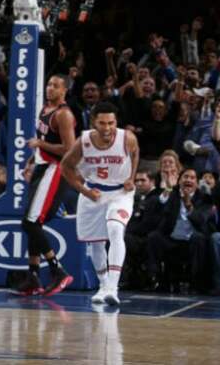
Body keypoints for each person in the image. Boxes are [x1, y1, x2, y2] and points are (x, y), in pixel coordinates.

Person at [60, 101, 140, 306]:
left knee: (115, 229)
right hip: (93, 193)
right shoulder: (83, 142)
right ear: (93, 122)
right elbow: (66, 167)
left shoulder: (127, 138)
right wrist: (85, 190)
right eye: (102, 123)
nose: (107, 128)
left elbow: (135, 153)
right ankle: (103, 285)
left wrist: (131, 176)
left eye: (111, 123)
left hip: (120, 193)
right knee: (96, 242)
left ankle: (113, 287)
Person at [15, 75, 77, 297]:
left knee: (30, 223)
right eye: (49, 84)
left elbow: (69, 150)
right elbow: (43, 138)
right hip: (42, 166)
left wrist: (41, 144)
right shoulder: (45, 109)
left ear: (65, 91)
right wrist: (33, 159)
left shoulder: (63, 115)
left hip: (56, 170)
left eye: (56, 86)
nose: (50, 88)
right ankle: (33, 277)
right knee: (33, 223)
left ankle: (57, 270)